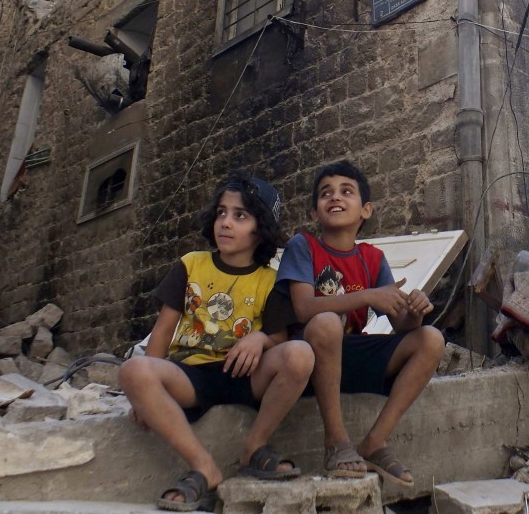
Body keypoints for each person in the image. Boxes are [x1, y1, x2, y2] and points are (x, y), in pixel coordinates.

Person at [120, 175, 314, 512]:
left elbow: (279, 340)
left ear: (260, 228)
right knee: (134, 370)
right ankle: (204, 468)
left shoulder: (271, 280)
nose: (226, 223)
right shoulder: (191, 264)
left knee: (300, 353)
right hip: (190, 376)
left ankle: (254, 447)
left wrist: (259, 338)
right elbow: (163, 332)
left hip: (245, 375)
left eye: (240, 216)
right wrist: (143, 397)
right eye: (221, 213)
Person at [272, 160, 444, 488]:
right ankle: (337, 441)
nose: (335, 197)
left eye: (346, 191)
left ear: (365, 210)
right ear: (314, 213)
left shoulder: (372, 258)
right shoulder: (303, 246)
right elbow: (304, 308)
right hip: (307, 363)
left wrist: (416, 310)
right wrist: (367, 297)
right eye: (326, 193)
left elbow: (403, 325)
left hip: (352, 357)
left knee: (431, 339)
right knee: (325, 323)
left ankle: (374, 443)